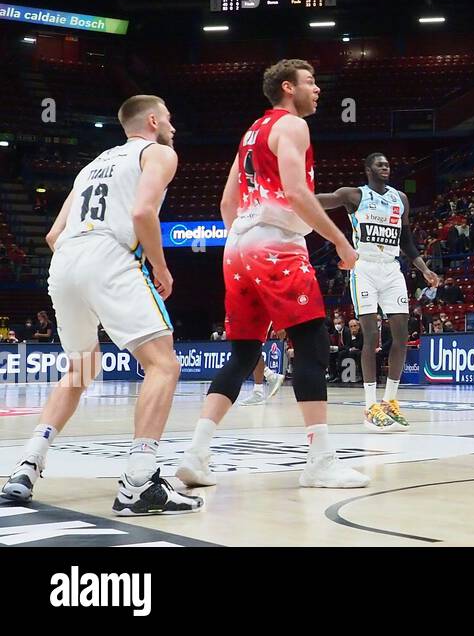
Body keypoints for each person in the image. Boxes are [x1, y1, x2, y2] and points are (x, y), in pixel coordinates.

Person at [2, 95, 202, 515]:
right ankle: (139, 480)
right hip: (107, 257)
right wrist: (160, 269)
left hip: (66, 262)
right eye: (169, 118)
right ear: (152, 121)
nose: (173, 127)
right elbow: (144, 212)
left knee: (81, 368)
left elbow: (54, 236)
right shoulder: (159, 152)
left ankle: (27, 464)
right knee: (164, 365)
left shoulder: (92, 166)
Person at [177, 61, 367, 489]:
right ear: (288, 87)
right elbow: (297, 194)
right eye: (310, 82)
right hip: (274, 245)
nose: (317, 89)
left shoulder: (250, 134)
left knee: (244, 355)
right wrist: (339, 240)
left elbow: (227, 205)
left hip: (238, 246)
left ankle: (196, 453)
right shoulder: (292, 126)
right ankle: (319, 460)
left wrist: (247, 237)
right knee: (312, 343)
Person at [316, 152, 438, 430]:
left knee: (402, 335)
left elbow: (406, 241)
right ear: (368, 168)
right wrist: (295, 197)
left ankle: (390, 401)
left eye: (388, 164)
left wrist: (424, 269)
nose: (386, 167)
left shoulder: (400, 199)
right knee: (370, 337)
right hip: (365, 268)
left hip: (392, 268)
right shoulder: (354, 195)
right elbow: (323, 200)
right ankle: (370, 405)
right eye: (380, 164)